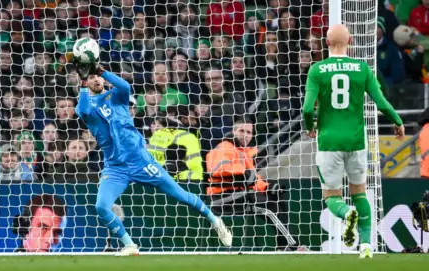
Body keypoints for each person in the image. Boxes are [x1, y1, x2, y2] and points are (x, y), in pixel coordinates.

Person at [73, 58, 232, 256]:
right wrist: (81, 80)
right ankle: (129, 244)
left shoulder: (117, 96)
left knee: (180, 195)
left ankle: (215, 221)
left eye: (97, 76)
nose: (95, 79)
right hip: (115, 167)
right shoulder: (86, 106)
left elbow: (125, 85)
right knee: (101, 207)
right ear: (86, 82)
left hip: (140, 160)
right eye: (91, 78)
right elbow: (83, 110)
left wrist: (101, 70)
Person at [302, 24, 404, 259]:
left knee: (332, 197)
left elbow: (307, 108)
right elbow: (382, 103)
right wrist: (397, 121)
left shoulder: (317, 69)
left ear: (326, 43)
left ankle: (347, 213)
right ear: (352, 40)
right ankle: (366, 245)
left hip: (329, 141)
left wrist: (310, 126)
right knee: (359, 192)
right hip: (357, 141)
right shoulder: (362, 68)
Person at [206, 118, 305, 251]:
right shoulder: (223, 148)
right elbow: (217, 171)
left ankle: (283, 246)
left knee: (277, 198)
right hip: (223, 197)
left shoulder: (242, 152)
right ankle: (294, 246)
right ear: (233, 131)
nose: (245, 135)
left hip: (240, 195)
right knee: (269, 206)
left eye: (249, 132)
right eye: (241, 131)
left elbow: (253, 178)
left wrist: (267, 187)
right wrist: (243, 173)